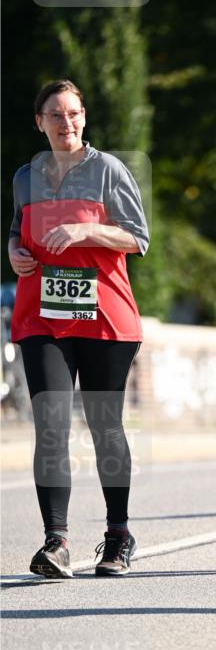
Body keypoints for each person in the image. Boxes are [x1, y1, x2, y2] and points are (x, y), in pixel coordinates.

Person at [8, 79, 149, 579]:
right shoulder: (26, 176)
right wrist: (13, 252)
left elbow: (138, 237)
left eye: (74, 114)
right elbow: (15, 230)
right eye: (55, 115)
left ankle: (118, 535)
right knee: (50, 427)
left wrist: (87, 230)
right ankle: (57, 541)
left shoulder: (109, 170)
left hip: (105, 317)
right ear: (39, 122)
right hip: (42, 316)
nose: (66, 123)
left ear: (84, 118)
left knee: (104, 426)